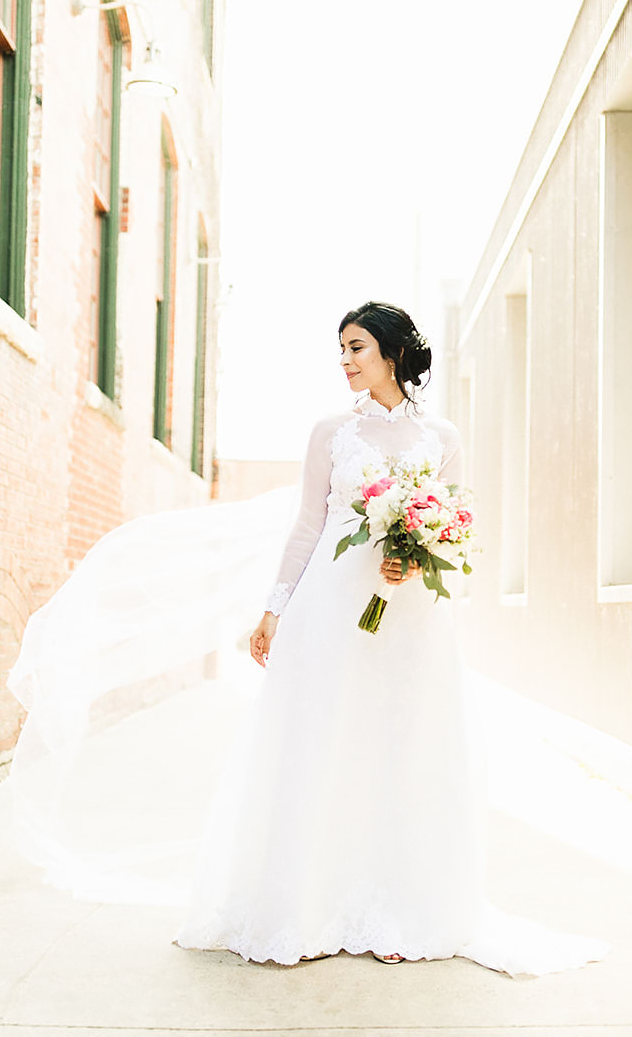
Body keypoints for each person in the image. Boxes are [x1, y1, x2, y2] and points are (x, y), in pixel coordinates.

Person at [169, 302, 609, 975]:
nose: (345, 360)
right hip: (329, 612)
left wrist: (417, 552)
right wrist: (274, 609)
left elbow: (454, 531)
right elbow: (306, 527)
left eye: (357, 347)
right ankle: (309, 906)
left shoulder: (444, 438)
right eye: (341, 349)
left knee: (405, 744)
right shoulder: (327, 434)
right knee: (324, 741)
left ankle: (401, 909)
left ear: (395, 353)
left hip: (408, 619)